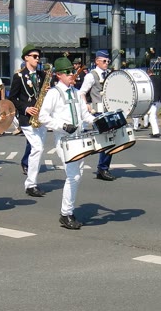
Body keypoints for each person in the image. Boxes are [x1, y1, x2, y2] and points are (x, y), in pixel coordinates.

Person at [37, 56, 97, 229]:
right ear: (59, 75)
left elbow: (84, 115)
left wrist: (96, 121)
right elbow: (43, 116)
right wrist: (62, 126)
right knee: (73, 176)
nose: (72, 75)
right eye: (68, 72)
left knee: (78, 175)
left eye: (72, 71)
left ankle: (68, 210)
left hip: (79, 138)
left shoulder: (76, 92)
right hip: (64, 140)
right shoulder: (53, 93)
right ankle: (66, 214)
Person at [9, 44, 48, 196]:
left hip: (41, 117)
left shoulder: (42, 75)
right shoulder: (18, 76)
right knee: (37, 148)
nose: (38, 59)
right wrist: (25, 108)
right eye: (35, 56)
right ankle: (30, 184)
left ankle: (33, 182)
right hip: (27, 118)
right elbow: (12, 98)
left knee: (38, 149)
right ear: (26, 58)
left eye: (38, 57)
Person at [79, 50, 116, 181]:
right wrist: (86, 105)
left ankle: (103, 168)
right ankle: (102, 168)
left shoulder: (110, 74)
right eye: (104, 61)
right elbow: (82, 92)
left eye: (108, 61)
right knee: (106, 139)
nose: (106, 63)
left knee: (110, 140)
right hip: (98, 112)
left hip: (109, 110)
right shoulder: (91, 76)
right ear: (97, 61)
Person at [140, 67, 161, 138]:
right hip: (160, 100)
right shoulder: (159, 79)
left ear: (148, 73)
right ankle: (155, 131)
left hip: (153, 100)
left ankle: (156, 133)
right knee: (153, 116)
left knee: (152, 117)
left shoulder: (148, 80)